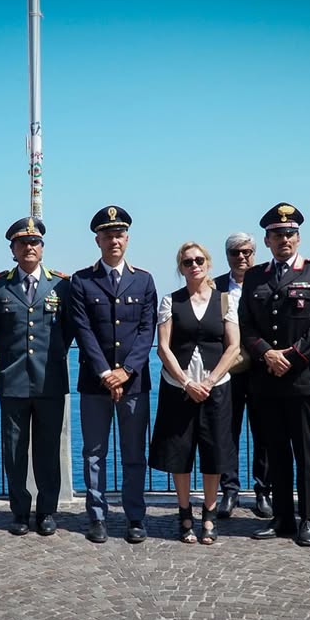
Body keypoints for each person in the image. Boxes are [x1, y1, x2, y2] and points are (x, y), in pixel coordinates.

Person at [239, 202, 310, 547]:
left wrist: (290, 357)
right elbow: (246, 325)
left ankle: (308, 519)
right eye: (278, 234)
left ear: (298, 237)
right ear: (267, 240)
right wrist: (266, 353)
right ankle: (282, 517)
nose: (285, 239)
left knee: (307, 452)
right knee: (275, 451)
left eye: (290, 233)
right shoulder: (254, 276)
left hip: (303, 379)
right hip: (266, 380)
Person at [70, 206, 158, 544]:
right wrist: (107, 372)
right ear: (97, 240)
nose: (114, 240)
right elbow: (83, 329)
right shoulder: (82, 280)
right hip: (95, 382)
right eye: (107, 235)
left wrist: (127, 370)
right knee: (94, 454)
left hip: (134, 382)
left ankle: (135, 517)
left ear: (127, 238)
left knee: (134, 454)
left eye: (119, 234)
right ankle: (97, 517)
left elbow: (147, 329)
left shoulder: (144, 279)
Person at [0, 217, 73, 537]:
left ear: (42, 248)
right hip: (14, 381)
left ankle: (47, 511)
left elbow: (68, 330)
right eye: (22, 243)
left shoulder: (62, 285)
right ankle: (20, 511)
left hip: (50, 380)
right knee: (14, 450)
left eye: (34, 242)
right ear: (13, 249)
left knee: (48, 450)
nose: (29, 247)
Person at [149, 242, 240, 545]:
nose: (194, 265)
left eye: (199, 260)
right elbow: (163, 347)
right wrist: (187, 382)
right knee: (180, 452)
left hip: (216, 388)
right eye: (187, 262)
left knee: (214, 452)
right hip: (179, 388)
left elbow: (233, 346)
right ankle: (184, 510)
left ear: (208, 263)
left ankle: (210, 514)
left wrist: (210, 381)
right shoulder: (170, 301)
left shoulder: (225, 301)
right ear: (181, 268)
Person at [214, 232, 271, 519]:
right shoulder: (216, 287)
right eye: (235, 252)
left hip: (262, 368)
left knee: (263, 432)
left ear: (254, 252)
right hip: (229, 370)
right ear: (227, 256)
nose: (242, 257)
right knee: (227, 431)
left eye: (247, 251)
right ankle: (230, 490)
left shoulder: (266, 281)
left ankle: (263, 491)